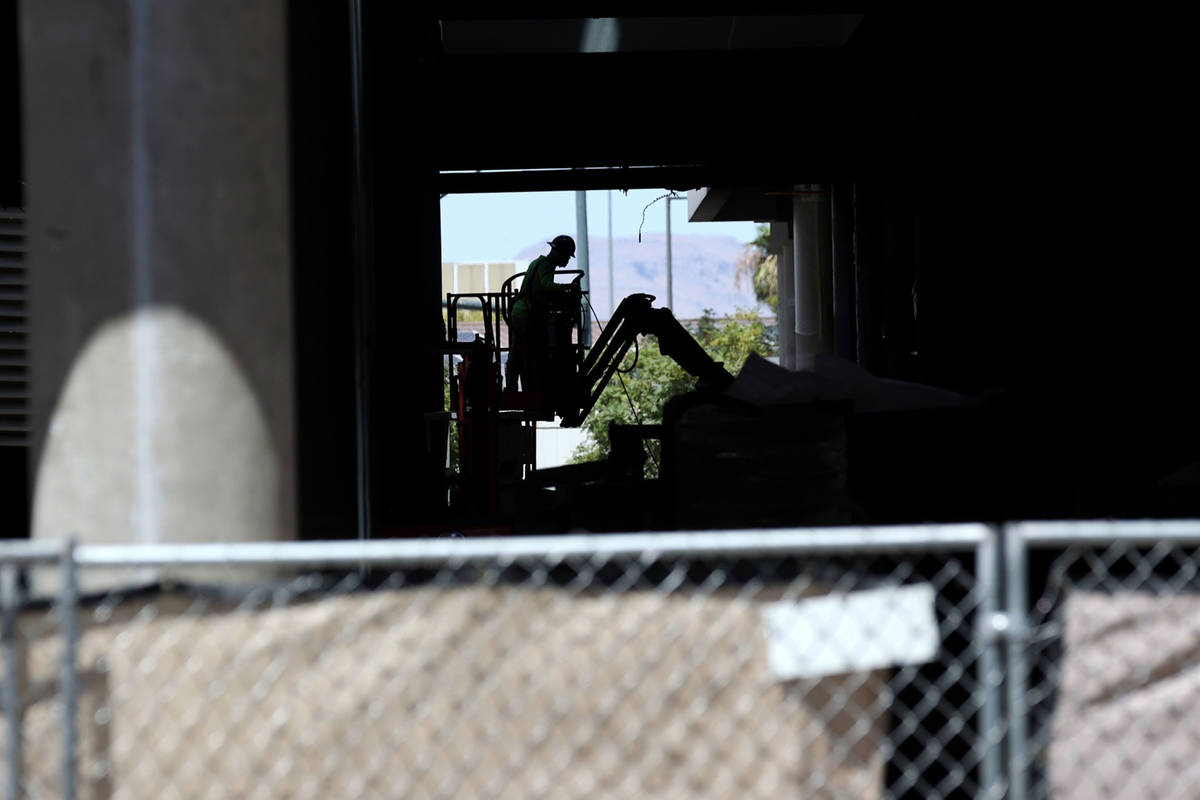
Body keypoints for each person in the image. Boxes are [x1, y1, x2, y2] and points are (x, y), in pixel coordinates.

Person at [506, 235, 580, 400]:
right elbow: (546, 285)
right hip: (526, 313)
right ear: (559, 253)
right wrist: (566, 288)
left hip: (519, 310)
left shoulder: (537, 262)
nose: (567, 260)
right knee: (533, 351)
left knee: (517, 350)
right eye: (567, 256)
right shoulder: (546, 266)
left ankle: (512, 386)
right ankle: (532, 386)